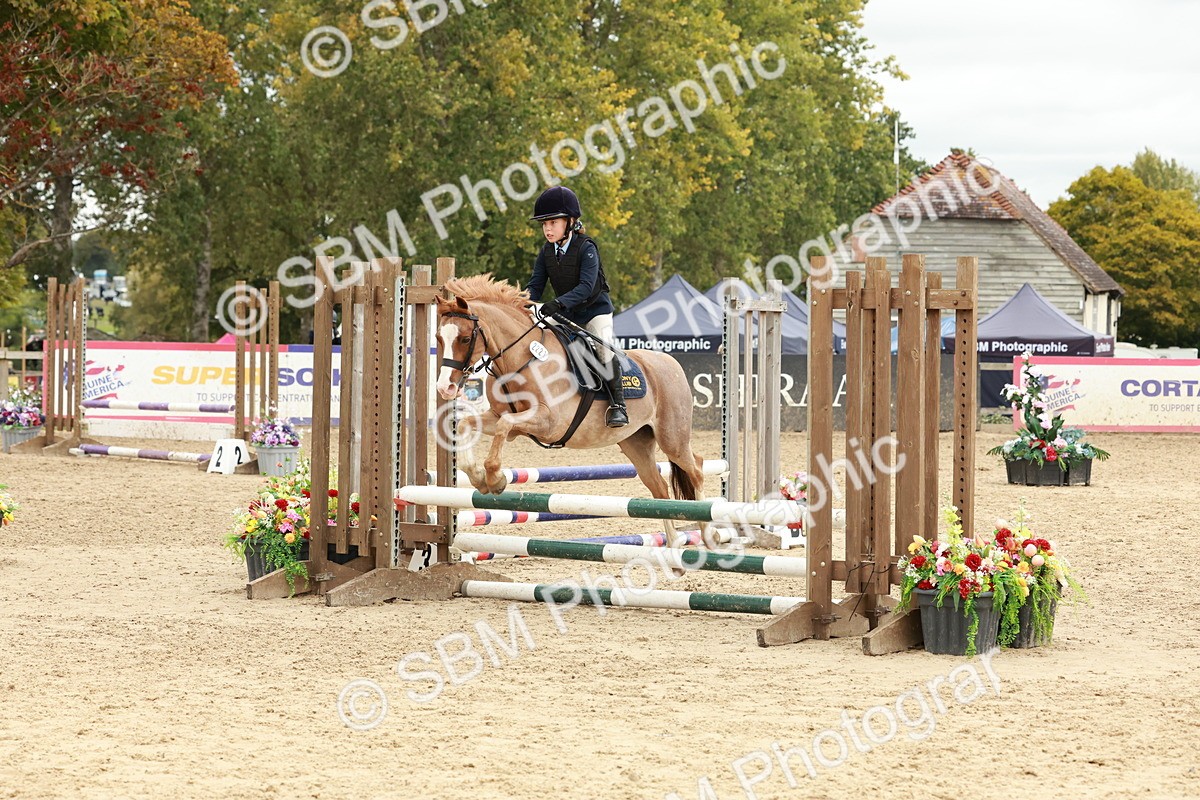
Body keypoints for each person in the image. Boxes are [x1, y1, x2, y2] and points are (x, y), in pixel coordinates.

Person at [525, 185, 627, 428]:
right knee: (529, 331)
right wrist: (521, 303)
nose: (547, 229)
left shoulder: (586, 248)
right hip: (566, 312)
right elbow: (535, 285)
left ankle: (618, 405)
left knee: (604, 350)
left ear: (570, 222)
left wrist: (556, 303)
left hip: (594, 311)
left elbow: (585, 286)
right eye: (544, 224)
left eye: (552, 222)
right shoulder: (546, 251)